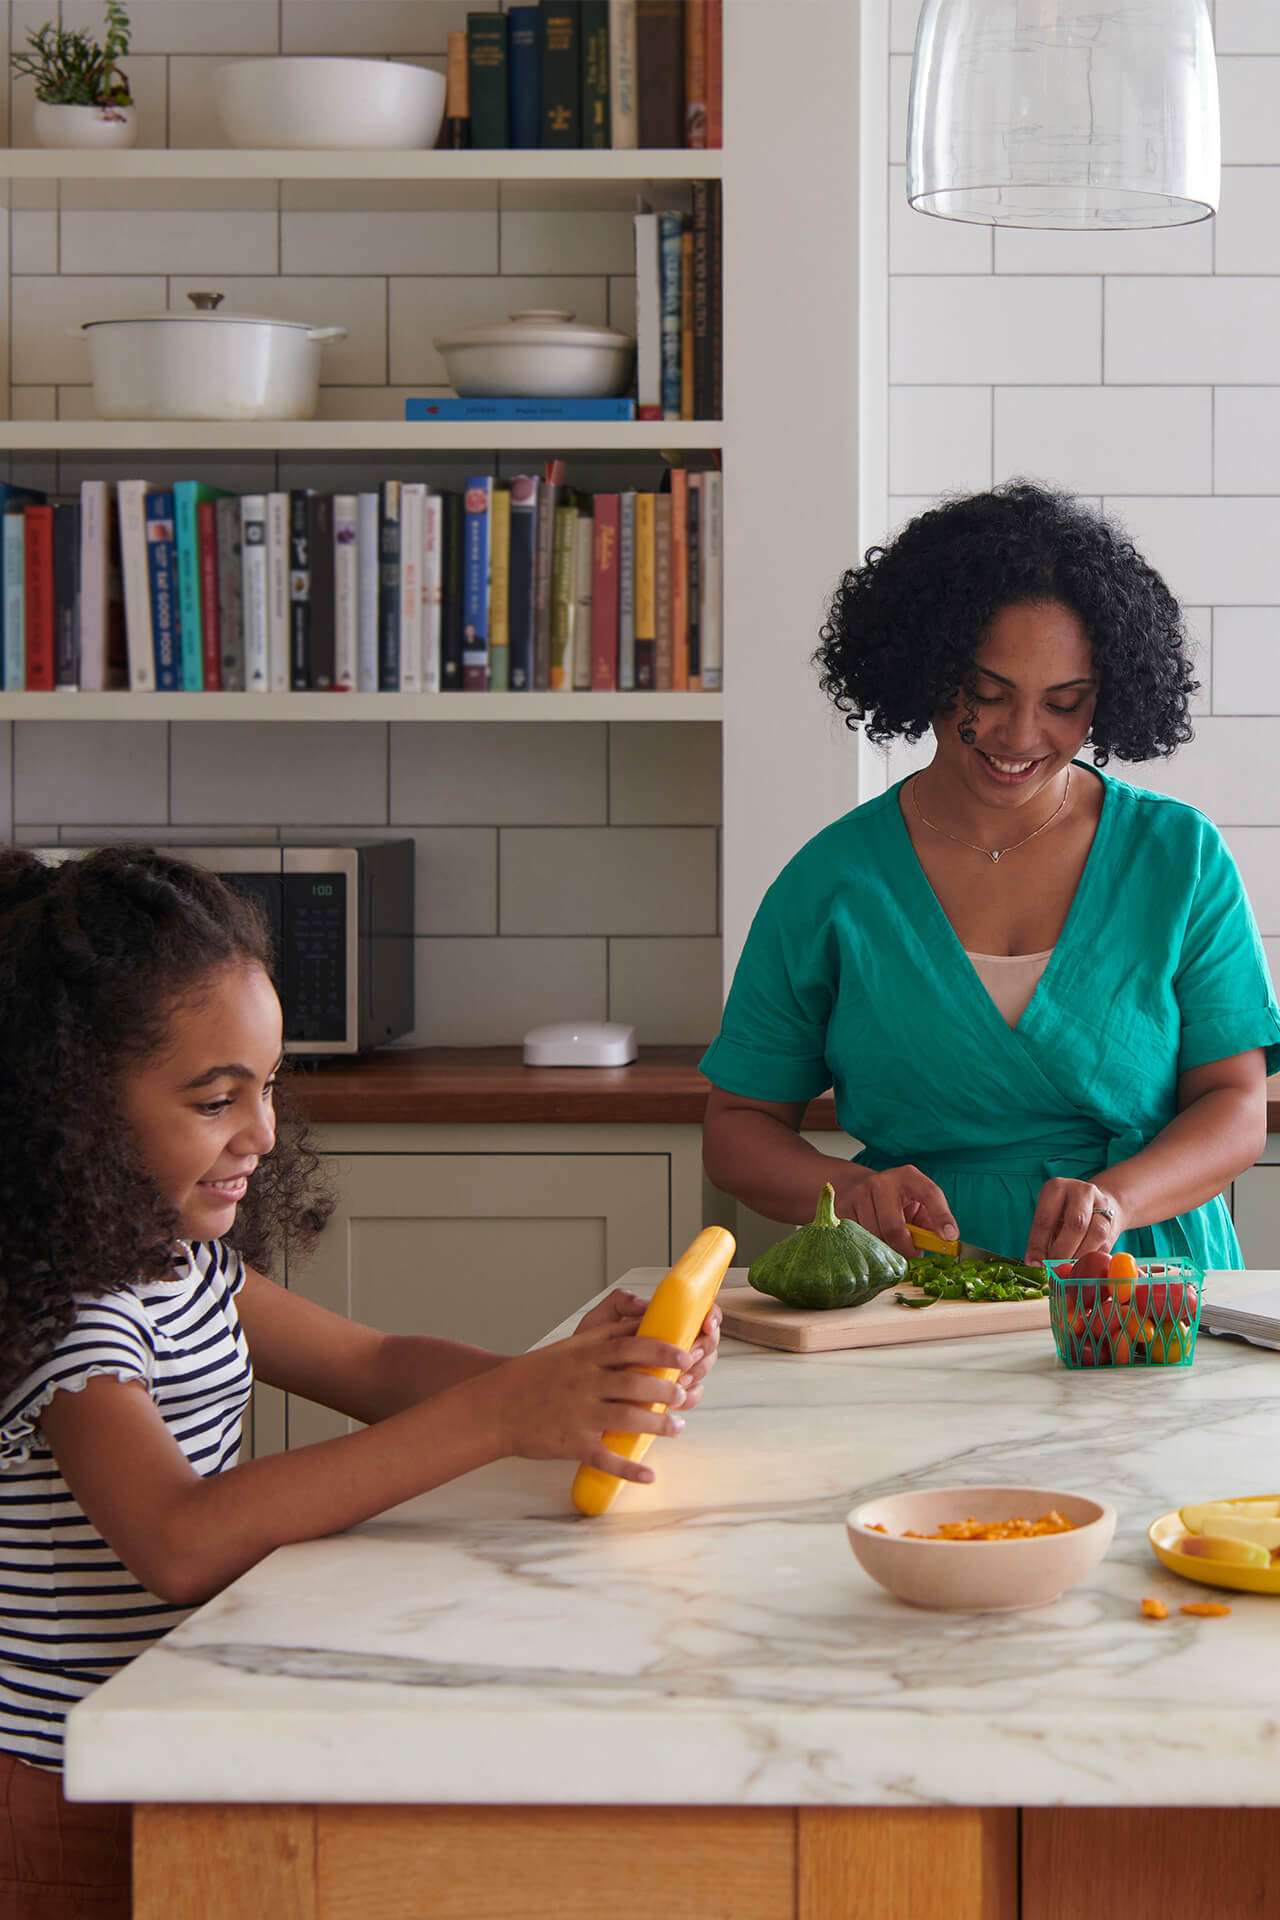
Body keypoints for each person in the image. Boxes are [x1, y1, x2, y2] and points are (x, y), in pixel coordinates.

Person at [0, 844, 721, 1919]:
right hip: (63, 1777)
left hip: (161, 1732)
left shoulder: (181, 1265)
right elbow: (178, 1538)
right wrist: (500, 1415)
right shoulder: (69, 1315)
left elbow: (374, 1365)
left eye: (269, 1088)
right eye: (214, 1100)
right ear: (69, 1109)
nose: (263, 1132)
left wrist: (564, 1379)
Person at [702, 482, 1280, 1269]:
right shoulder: (833, 880)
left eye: (1065, 703)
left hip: (1143, 1284)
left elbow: (1237, 1103)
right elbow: (738, 1129)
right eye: (987, 693)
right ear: (925, 669)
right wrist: (846, 1189)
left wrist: (1119, 1201)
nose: (1020, 735)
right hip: (914, 1287)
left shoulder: (1178, 857)